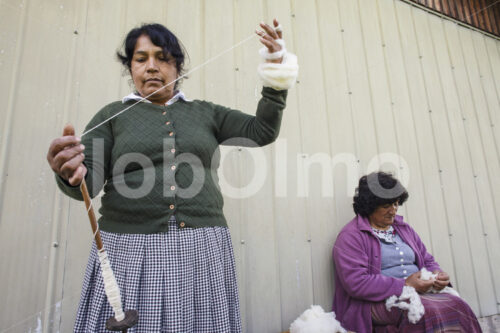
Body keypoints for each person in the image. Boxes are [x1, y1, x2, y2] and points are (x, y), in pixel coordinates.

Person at [47, 20, 297, 332]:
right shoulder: (110, 118)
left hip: (202, 245)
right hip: (130, 250)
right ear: (131, 68)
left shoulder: (206, 113)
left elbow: (262, 131)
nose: (151, 67)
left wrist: (275, 74)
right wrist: (68, 173)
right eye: (141, 59)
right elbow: (87, 182)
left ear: (178, 67)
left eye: (163, 58)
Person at [332, 172, 482, 332]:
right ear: (369, 206)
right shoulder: (351, 236)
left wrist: (437, 274)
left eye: (396, 204)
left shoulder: (404, 229)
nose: (393, 211)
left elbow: (427, 260)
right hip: (374, 302)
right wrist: (405, 284)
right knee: (420, 312)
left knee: (458, 305)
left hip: (415, 294)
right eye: (386, 206)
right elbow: (356, 283)